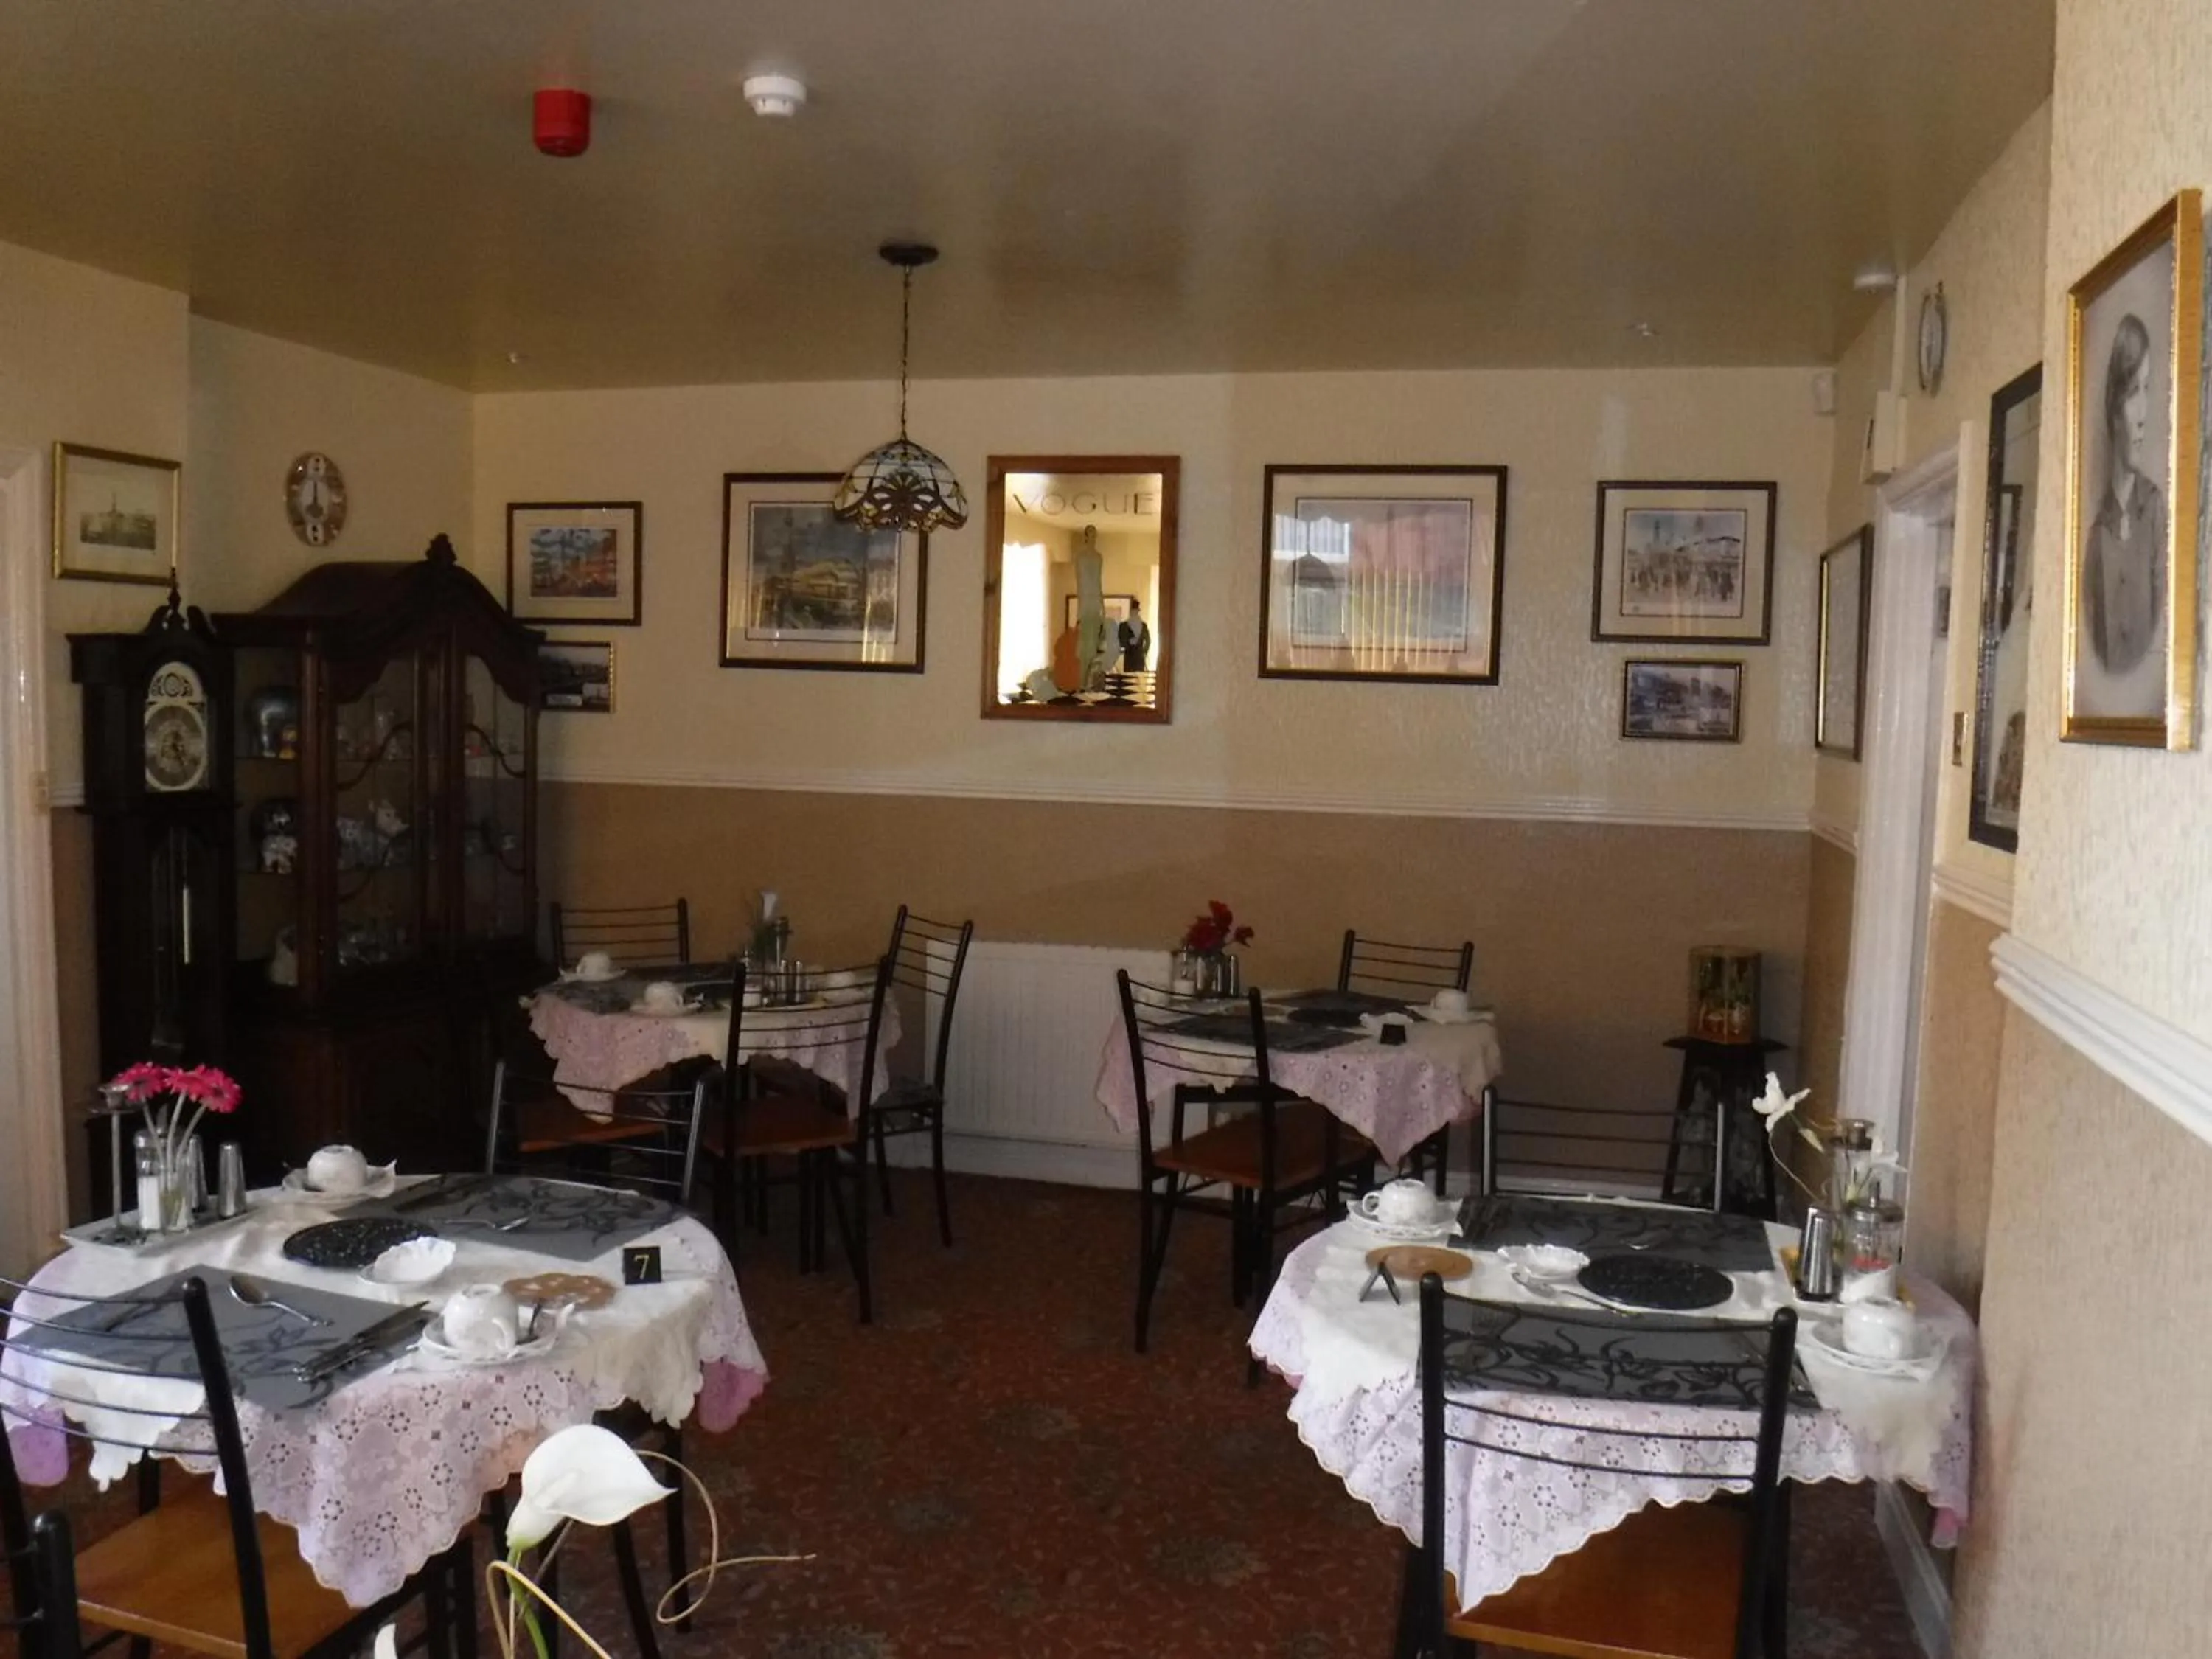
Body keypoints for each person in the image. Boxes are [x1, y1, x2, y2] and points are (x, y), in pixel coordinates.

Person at [2081, 312, 2165, 678]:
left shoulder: (2156, 509)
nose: (2144, 413)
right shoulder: (2095, 534)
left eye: (2148, 388)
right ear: (2114, 409)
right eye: (2133, 392)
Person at [1118, 600, 1152, 672]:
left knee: (1138, 679)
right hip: (1130, 657)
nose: (1135, 613)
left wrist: (1144, 653)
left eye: (1136, 611)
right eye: (1134, 611)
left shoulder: (1143, 626)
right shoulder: (1123, 626)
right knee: (1128, 679)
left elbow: (1148, 641)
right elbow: (1120, 642)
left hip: (1138, 658)